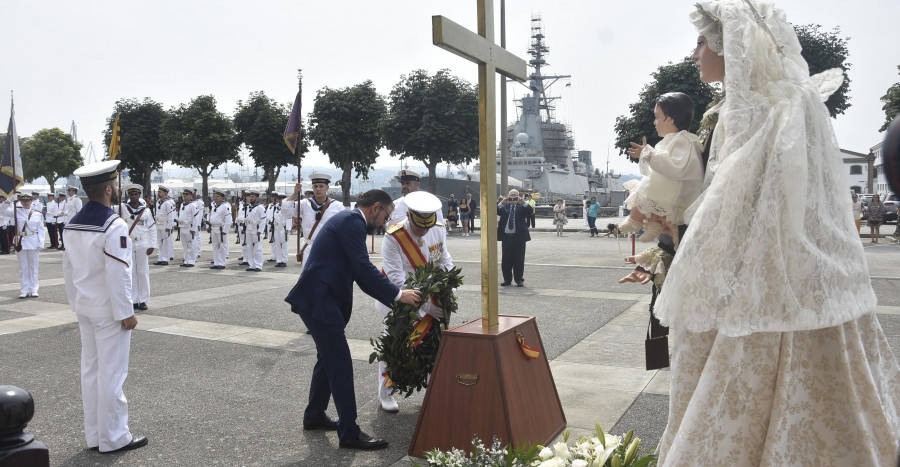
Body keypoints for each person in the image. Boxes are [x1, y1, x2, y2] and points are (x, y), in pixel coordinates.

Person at [647, 2, 900, 464]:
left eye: (703, 40)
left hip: (754, 286)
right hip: (798, 283)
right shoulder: (777, 105)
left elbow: (739, 209)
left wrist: (683, 245)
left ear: (733, 46)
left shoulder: (762, 112)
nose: (695, 52)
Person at [284, 189, 421, 451]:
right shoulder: (352, 222)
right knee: (341, 365)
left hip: (320, 301)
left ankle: (314, 415)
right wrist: (398, 294)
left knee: (327, 360)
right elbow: (363, 268)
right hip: (319, 302)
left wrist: (393, 294)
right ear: (375, 208)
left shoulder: (350, 222)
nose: (384, 223)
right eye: (385, 217)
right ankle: (349, 432)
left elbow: (358, 272)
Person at [63, 160, 148, 453]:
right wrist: (126, 312)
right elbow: (118, 273)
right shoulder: (114, 224)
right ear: (110, 189)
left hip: (86, 307)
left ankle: (96, 435)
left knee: (91, 372)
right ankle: (114, 437)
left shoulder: (72, 223)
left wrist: (76, 302)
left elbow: (68, 269)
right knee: (112, 373)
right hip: (110, 311)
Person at [375, 191, 453, 413]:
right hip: (400, 299)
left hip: (431, 299)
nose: (423, 231)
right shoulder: (394, 236)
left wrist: (449, 286)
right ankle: (386, 393)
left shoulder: (437, 229)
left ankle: (432, 389)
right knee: (394, 344)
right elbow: (396, 278)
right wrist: (428, 302)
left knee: (433, 344)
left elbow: (444, 260)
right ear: (408, 216)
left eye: (426, 227)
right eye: (419, 227)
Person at [620, 92, 704, 242]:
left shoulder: (683, 140)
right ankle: (653, 224)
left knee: (646, 187)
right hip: (674, 189)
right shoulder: (675, 140)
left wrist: (648, 154)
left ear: (669, 119)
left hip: (678, 190)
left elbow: (675, 167)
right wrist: (647, 154)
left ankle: (635, 219)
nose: (654, 122)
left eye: (657, 117)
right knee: (648, 184)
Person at [282, 174, 344, 266]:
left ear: (327, 187)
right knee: (309, 278)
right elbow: (286, 212)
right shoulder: (304, 204)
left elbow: (343, 228)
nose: (318, 189)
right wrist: (295, 193)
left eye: (321, 186)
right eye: (315, 186)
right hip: (310, 247)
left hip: (330, 248)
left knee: (328, 277)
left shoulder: (337, 206)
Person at [0, 193, 45, 297]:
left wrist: (41, 242)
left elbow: (41, 229)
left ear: (31, 201)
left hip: (33, 241)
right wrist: (9, 200)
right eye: (23, 201)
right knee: (23, 267)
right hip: (20, 242)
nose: (25, 203)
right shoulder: (16, 211)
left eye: (28, 200)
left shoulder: (37, 214)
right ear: (20, 201)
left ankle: (34, 289)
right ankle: (24, 289)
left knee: (33, 267)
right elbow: (1, 210)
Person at [120, 184, 156, 311]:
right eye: (131, 194)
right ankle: (134, 299)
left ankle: (143, 299)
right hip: (129, 243)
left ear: (139, 195)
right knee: (131, 272)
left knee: (142, 272)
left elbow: (151, 228)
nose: (133, 196)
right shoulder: (122, 208)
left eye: (136, 194)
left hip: (141, 243)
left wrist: (152, 244)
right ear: (128, 196)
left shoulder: (145, 210)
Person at [497, 189, 534, 287]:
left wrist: (523, 203)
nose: (513, 197)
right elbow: (494, 211)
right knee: (506, 260)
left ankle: (519, 280)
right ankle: (507, 280)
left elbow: (530, 212)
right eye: (511, 195)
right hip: (506, 238)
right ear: (508, 196)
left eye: (515, 195)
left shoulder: (521, 206)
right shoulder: (504, 206)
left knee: (519, 259)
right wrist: (502, 202)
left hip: (519, 238)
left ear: (518, 197)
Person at [176, 188, 202, 267]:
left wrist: (194, 228)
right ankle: (186, 259)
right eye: (183, 194)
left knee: (191, 244)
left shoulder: (193, 205)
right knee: (184, 245)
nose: (184, 196)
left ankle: (191, 260)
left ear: (191, 196)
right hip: (183, 226)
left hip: (189, 227)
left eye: (186, 194)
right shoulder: (182, 205)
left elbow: (196, 218)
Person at [208, 188, 231, 269]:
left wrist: (225, 230)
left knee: (222, 246)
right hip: (213, 228)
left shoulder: (225, 207)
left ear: (222, 197)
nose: (215, 197)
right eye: (215, 196)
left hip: (221, 229)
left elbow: (228, 220)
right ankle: (216, 262)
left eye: (217, 196)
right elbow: (210, 216)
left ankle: (222, 263)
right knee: (215, 246)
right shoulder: (214, 205)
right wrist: (209, 226)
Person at [243, 190, 266, 271]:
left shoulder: (260, 207)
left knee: (257, 247)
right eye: (250, 197)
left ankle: (258, 265)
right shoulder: (248, 207)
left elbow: (263, 219)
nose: (251, 198)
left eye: (253, 197)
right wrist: (244, 228)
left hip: (256, 229)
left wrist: (260, 230)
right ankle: (251, 264)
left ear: (257, 197)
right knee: (249, 247)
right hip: (249, 228)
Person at [154, 186, 176, 266]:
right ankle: (160, 258)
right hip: (159, 224)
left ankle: (165, 259)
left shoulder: (168, 203)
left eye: (160, 192)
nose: (158, 193)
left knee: (166, 242)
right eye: (158, 191)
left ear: (165, 193)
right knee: (160, 243)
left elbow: (171, 216)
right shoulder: (158, 202)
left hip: (165, 225)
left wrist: (169, 226)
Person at [61, 185, 83, 251]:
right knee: (68, 235)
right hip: (68, 220)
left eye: (70, 191)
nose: (68, 192)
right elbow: (70, 210)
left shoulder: (77, 199)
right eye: (68, 191)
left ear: (74, 191)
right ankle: (68, 247)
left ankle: (75, 248)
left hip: (74, 221)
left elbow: (79, 211)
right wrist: (64, 213)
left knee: (74, 236)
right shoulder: (68, 199)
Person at [271, 192, 291, 267]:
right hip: (276, 227)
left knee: (284, 244)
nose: (279, 200)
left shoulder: (287, 207)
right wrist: (272, 226)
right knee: (277, 244)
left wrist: (288, 229)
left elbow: (289, 218)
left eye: (280, 199)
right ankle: (279, 260)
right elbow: (274, 217)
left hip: (283, 227)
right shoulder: (276, 207)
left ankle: (284, 260)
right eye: (278, 199)